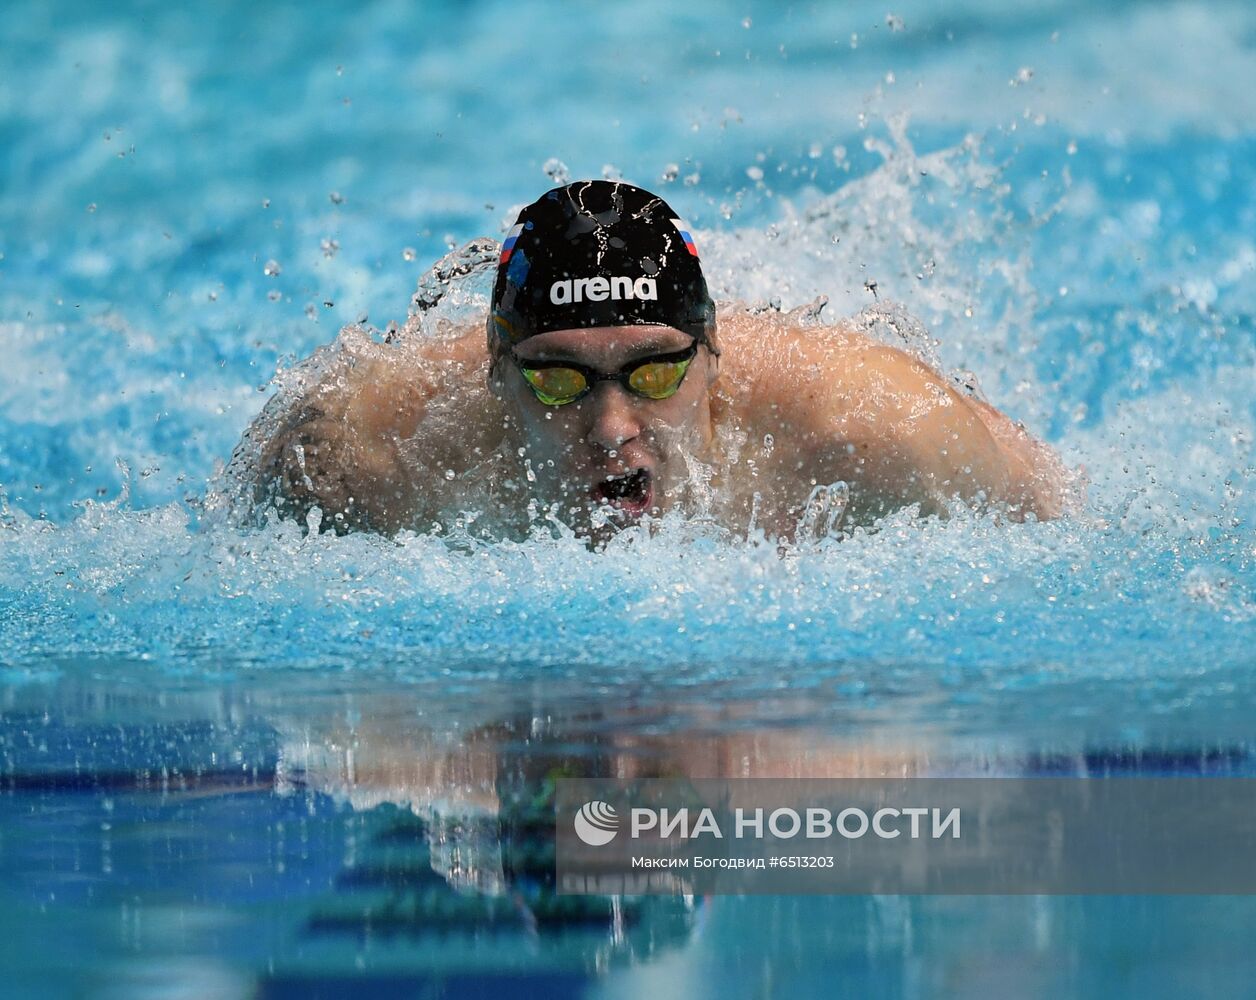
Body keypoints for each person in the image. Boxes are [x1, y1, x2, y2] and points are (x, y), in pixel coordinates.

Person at [245, 180, 1071, 540]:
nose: (611, 428)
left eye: (655, 372)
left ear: (714, 352)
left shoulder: (877, 431)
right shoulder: (374, 458)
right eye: (558, 378)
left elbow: (1058, 524)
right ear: (496, 372)